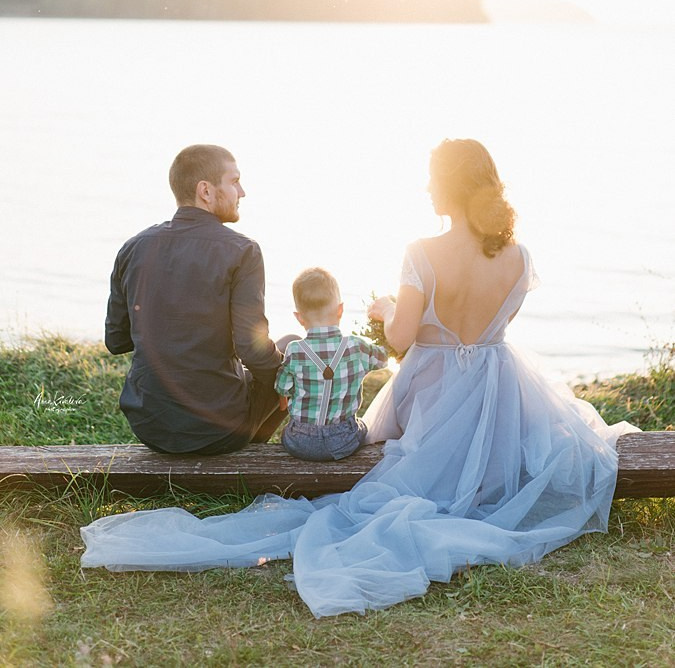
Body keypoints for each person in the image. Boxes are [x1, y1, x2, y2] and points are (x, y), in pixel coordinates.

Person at [82, 139, 639, 618]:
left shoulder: (423, 252)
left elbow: (401, 339)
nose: (426, 188)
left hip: (423, 390)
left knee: (341, 399)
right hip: (500, 386)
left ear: (449, 187)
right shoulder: (519, 255)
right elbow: (498, 325)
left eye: (431, 180)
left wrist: (387, 308)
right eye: (235, 182)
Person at [105, 144, 287, 455]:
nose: (242, 192)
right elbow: (251, 349)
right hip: (219, 429)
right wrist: (283, 382)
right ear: (205, 191)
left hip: (151, 426)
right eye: (234, 181)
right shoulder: (243, 251)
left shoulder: (134, 247)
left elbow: (116, 340)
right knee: (291, 348)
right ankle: (249, 446)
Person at [276, 267, 388, 461]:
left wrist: (285, 402)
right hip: (343, 441)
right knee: (362, 426)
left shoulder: (294, 350)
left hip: (299, 441)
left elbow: (282, 388)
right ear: (340, 310)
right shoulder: (356, 347)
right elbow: (384, 358)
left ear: (299, 317)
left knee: (289, 430)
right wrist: (386, 321)